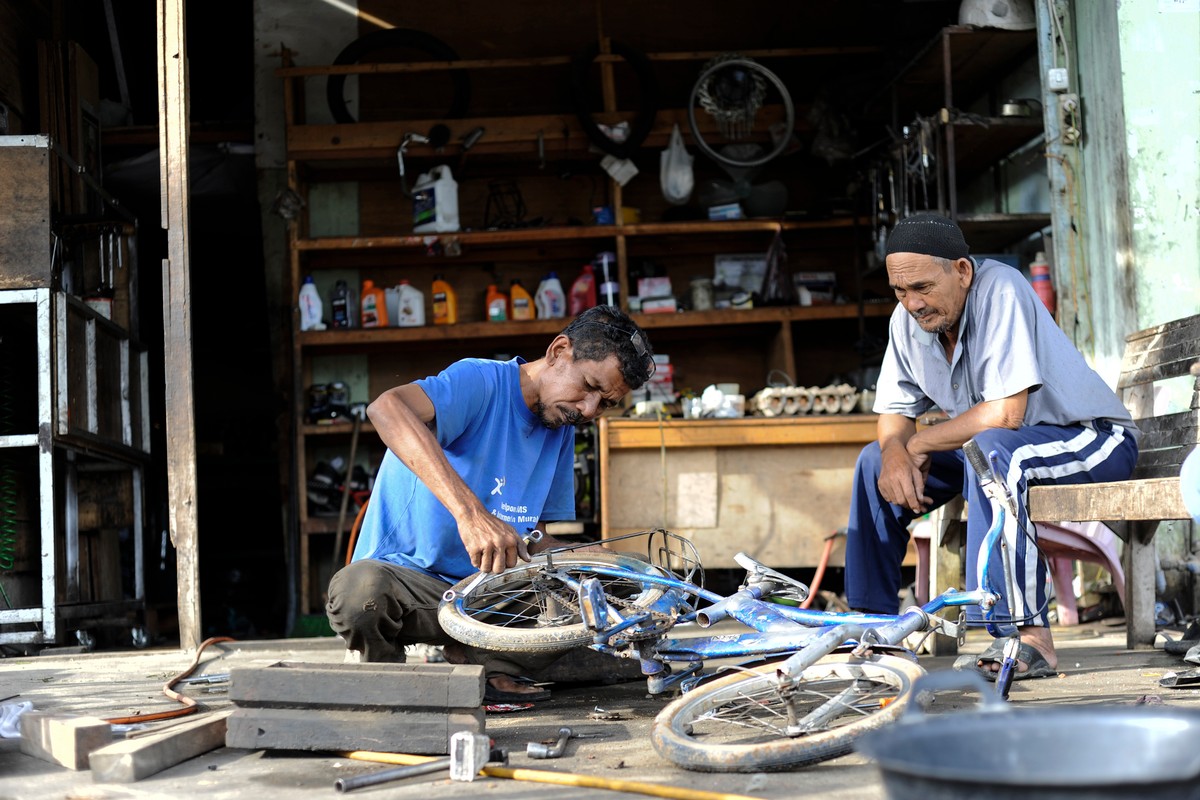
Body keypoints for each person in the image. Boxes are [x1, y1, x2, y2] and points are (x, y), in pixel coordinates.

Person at [844, 213, 1139, 680]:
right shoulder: (908, 322)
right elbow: (893, 416)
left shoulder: (1001, 288)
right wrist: (896, 451)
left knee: (994, 452)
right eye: (900, 292)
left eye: (922, 287)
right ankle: (875, 628)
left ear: (962, 270)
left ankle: (1025, 637)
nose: (912, 304)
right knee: (872, 461)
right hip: (999, 447)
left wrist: (918, 441)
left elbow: (1007, 414)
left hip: (1092, 440)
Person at [325, 304, 655, 703]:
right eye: (589, 385)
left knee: (615, 581)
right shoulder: (480, 380)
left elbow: (534, 541)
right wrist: (471, 514)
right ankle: (388, 673)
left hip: (486, 596)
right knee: (360, 592)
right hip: (413, 587)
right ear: (558, 350)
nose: (588, 409)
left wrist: (589, 558)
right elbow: (385, 408)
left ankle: (489, 664)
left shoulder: (561, 425)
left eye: (605, 403)